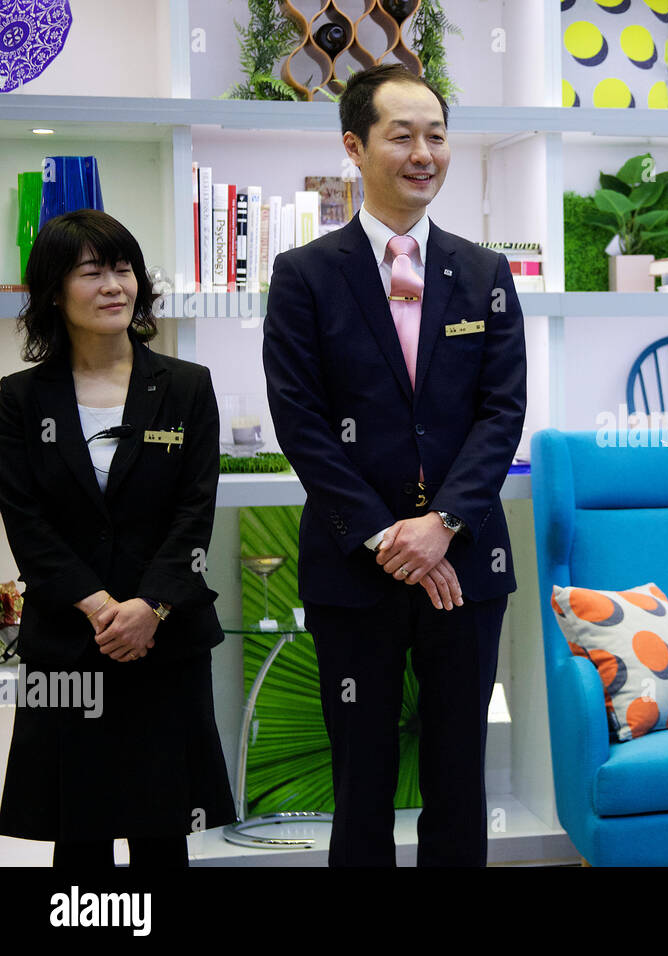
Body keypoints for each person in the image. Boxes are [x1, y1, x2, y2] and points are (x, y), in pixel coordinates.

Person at [262, 64, 526, 867]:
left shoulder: (484, 274)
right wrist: (387, 538)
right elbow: (301, 423)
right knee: (361, 784)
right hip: (354, 570)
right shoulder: (306, 276)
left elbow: (501, 413)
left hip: (466, 565)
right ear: (355, 145)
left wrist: (442, 525)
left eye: (437, 136)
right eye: (402, 135)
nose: (424, 153)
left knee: (458, 783)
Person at [0, 209, 234, 866]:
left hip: (166, 641)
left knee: (164, 830)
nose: (113, 285)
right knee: (79, 833)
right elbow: (28, 527)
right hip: (68, 642)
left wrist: (148, 608)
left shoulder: (186, 388)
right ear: (53, 291)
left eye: (123, 268)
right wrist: (104, 610)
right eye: (91, 271)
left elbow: (195, 516)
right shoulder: (18, 401)